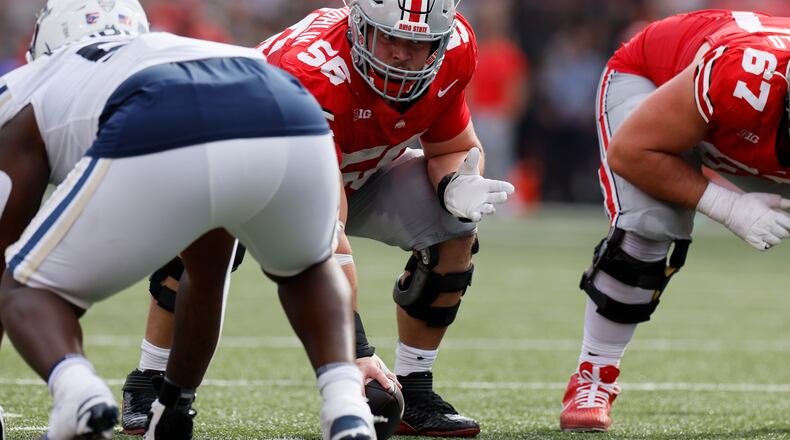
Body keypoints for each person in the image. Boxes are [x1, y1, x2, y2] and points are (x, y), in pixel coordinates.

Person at [121, 0, 515, 437]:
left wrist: (456, 186)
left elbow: (452, 147)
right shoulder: (312, 72)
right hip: (247, 161)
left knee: (456, 223)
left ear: (440, 42)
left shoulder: (457, 48)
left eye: (416, 43)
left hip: (355, 168)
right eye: (389, 38)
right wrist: (356, 353)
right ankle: (150, 381)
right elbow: (327, 236)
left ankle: (414, 388)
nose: (402, 53)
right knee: (204, 248)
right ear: (359, 27)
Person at [0, 1, 374, 439]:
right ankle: (346, 405)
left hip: (162, 110)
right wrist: (175, 403)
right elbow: (206, 278)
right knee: (302, 270)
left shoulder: (31, 82)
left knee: (23, 288)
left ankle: (78, 394)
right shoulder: (171, 45)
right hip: (286, 100)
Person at [560, 9, 790, 432]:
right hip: (657, 82)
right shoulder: (742, 78)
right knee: (651, 225)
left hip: (741, 120)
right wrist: (729, 207)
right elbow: (633, 153)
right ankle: (594, 377)